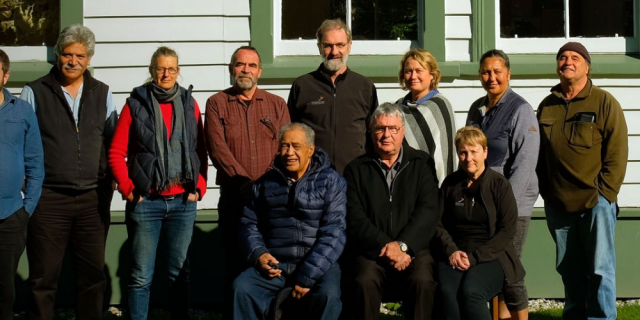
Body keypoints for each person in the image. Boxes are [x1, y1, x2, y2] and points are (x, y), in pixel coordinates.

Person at [20, 24, 117, 320]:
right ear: (57, 55)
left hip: (92, 198)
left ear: (89, 59)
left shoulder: (103, 93)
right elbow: (20, 142)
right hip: (48, 198)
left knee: (91, 277)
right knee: (43, 277)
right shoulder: (34, 92)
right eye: (67, 54)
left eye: (80, 55)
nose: (73, 60)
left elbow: (113, 143)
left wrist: (110, 184)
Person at [108, 46, 208, 320]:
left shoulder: (190, 103)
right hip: (146, 202)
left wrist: (199, 188)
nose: (166, 74)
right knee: (141, 276)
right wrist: (129, 190)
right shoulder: (135, 104)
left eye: (172, 69)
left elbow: (200, 149)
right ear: (152, 70)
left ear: (178, 71)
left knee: (179, 272)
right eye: (160, 68)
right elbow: (116, 152)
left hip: (182, 203)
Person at [536, 42, 628, 320]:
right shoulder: (547, 105)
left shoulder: (603, 101)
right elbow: (538, 153)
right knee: (569, 270)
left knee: (600, 269)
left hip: (595, 203)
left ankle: (601, 318)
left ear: (587, 67)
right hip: (558, 205)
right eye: (562, 57)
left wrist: (605, 195)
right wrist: (546, 192)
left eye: (575, 57)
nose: (567, 61)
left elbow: (617, 151)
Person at [205, 45, 290, 318]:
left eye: (252, 66)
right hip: (234, 198)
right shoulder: (217, 103)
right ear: (232, 69)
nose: (246, 70)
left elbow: (287, 149)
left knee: (272, 260)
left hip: (273, 200)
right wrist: (246, 185)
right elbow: (217, 149)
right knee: (234, 260)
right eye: (240, 65)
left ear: (260, 71)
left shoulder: (277, 105)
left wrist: (267, 187)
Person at [233, 122, 346, 320]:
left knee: (328, 296)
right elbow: (248, 224)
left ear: (311, 150)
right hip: (276, 264)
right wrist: (259, 254)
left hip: (319, 264)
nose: (289, 152)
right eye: (285, 146)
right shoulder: (265, 183)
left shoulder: (331, 181)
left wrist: (306, 276)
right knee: (242, 288)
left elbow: (334, 233)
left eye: (296, 146)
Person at [343, 103, 439, 319]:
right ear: (371, 132)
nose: (386, 135)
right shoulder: (356, 169)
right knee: (364, 281)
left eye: (393, 128)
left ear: (402, 131)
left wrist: (404, 245)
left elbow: (429, 210)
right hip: (371, 252)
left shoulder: (421, 163)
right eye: (380, 128)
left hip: (414, 250)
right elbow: (354, 217)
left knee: (423, 281)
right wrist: (386, 247)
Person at [466, 49, 539, 320]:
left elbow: (525, 162)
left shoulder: (521, 110)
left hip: (512, 206)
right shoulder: (476, 109)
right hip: (481, 205)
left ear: (508, 74)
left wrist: (504, 205)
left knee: (510, 269)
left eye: (498, 72)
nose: (492, 77)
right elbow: (468, 152)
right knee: (490, 269)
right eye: (486, 72)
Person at [435, 126, 525, 320]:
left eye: (474, 152)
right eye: (463, 153)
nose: (469, 159)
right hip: (454, 253)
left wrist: (475, 257)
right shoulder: (450, 184)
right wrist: (451, 251)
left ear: (485, 152)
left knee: (472, 291)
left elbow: (507, 230)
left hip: (491, 256)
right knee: (447, 293)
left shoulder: (499, 185)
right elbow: (437, 223)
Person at [288, 18, 378, 174]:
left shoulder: (365, 86)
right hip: (312, 176)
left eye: (340, 45)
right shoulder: (302, 86)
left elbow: (374, 134)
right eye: (328, 46)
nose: (334, 52)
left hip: (356, 176)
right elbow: (291, 133)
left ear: (349, 46)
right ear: (319, 47)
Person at [0, 49, 44, 320]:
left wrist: (26, 208)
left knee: (4, 289)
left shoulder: (23, 110)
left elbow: (35, 162)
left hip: (10, 215)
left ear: (5, 75)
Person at [397, 49, 457, 185]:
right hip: (403, 184)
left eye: (419, 71)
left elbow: (444, 154)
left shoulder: (440, 106)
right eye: (408, 71)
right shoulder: (398, 108)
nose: (413, 76)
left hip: (430, 185)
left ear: (432, 75)